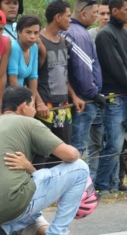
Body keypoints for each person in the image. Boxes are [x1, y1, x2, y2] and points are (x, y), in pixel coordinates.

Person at [0, 85, 89, 235]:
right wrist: (77, 151)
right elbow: (70, 155)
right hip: (14, 204)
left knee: (24, 190)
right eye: (33, 106)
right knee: (81, 168)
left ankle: (1, 228)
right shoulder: (28, 122)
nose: (34, 110)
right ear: (23, 106)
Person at [33, 0, 84, 169]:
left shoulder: (62, 40)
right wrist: (38, 102)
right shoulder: (39, 41)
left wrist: (74, 96)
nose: (70, 20)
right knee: (42, 152)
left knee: (63, 149)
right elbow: (31, 77)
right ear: (57, 17)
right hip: (45, 106)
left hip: (63, 105)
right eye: (68, 16)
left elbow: (64, 74)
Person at [59, 0, 105, 158]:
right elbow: (83, 69)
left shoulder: (66, 31)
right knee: (77, 148)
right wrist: (93, 93)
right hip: (83, 100)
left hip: (71, 97)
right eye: (95, 13)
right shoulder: (78, 34)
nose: (96, 17)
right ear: (83, 13)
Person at [95, 0, 127, 194]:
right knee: (113, 144)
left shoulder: (123, 33)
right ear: (115, 11)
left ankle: (112, 185)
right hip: (114, 96)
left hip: (124, 95)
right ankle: (100, 187)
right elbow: (116, 69)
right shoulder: (105, 34)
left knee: (119, 145)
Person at [86, 0, 110, 182]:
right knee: (94, 143)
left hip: (114, 97)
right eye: (101, 14)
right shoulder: (88, 36)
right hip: (94, 97)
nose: (105, 18)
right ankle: (91, 182)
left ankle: (109, 181)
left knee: (113, 141)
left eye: (108, 14)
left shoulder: (119, 35)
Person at [7, 15, 40, 87]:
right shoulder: (14, 47)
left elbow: (33, 76)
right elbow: (12, 81)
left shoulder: (34, 47)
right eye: (28, 32)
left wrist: (33, 98)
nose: (32, 36)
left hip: (21, 93)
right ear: (19, 32)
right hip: (10, 94)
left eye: (36, 33)